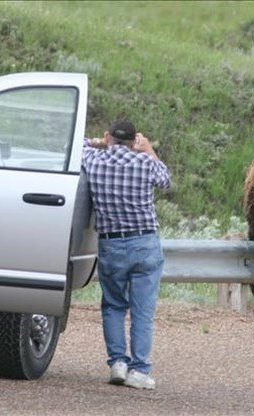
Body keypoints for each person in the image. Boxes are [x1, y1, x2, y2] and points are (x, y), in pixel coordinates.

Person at [82, 120, 170, 390]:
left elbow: (76, 146)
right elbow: (165, 180)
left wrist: (98, 142)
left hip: (111, 245)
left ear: (109, 137)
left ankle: (118, 363)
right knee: (143, 310)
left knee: (113, 305)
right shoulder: (144, 162)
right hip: (144, 242)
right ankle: (140, 371)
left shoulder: (94, 161)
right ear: (134, 141)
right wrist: (149, 149)